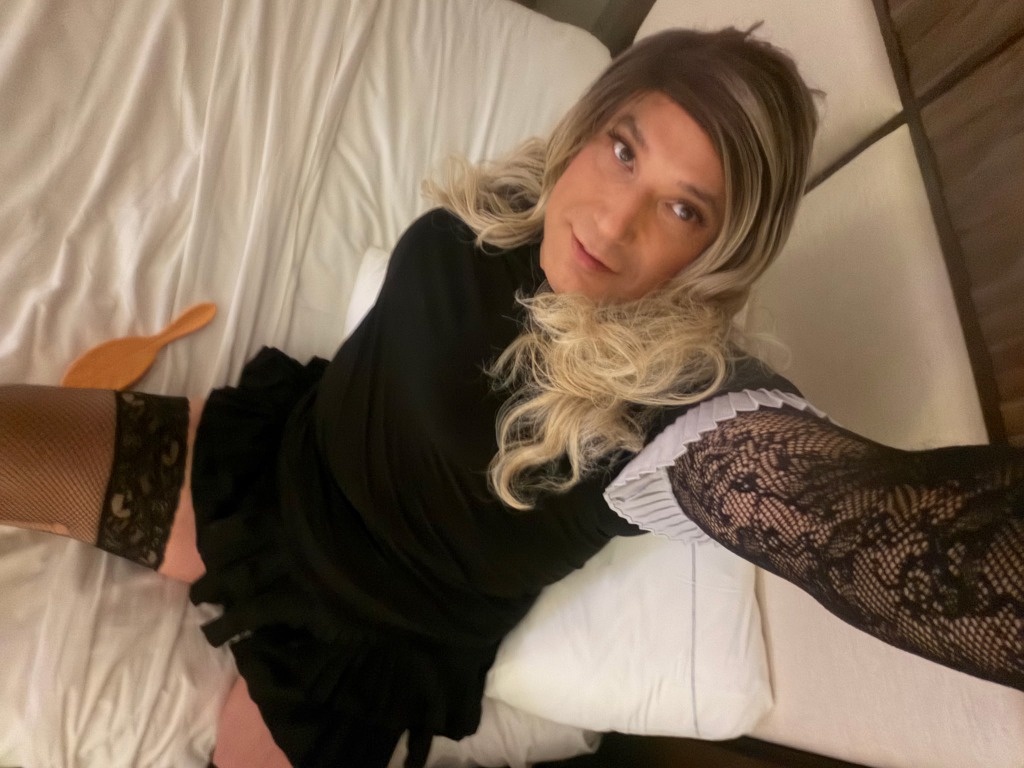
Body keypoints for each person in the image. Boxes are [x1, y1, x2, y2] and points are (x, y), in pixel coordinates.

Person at [1, 25, 1021, 768]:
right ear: (591, 127)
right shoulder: (523, 200)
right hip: (268, 463)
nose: (612, 222)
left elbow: (873, 529)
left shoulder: (675, 404)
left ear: (721, 253)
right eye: (624, 149)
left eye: (682, 209)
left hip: (358, 645)